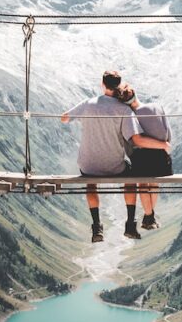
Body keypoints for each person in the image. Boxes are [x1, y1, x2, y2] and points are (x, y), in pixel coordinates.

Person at [61, 71, 170, 243]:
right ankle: (130, 224)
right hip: (114, 166)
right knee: (131, 177)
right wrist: (163, 145)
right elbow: (137, 139)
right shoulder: (124, 110)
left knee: (90, 182)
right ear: (118, 86)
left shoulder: (88, 104)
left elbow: (65, 118)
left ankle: (97, 226)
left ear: (102, 84)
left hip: (88, 164)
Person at [115, 83, 173, 230]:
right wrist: (163, 146)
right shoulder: (157, 107)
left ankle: (149, 216)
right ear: (135, 93)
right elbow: (168, 135)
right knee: (154, 183)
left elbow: (134, 141)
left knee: (142, 183)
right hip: (163, 161)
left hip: (142, 160)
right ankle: (149, 217)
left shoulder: (130, 115)